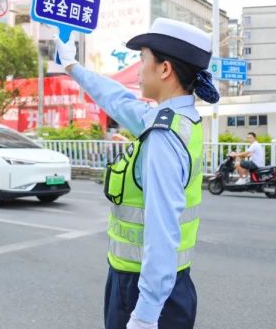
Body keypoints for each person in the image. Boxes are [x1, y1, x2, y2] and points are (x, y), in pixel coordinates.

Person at [56, 18, 220, 329]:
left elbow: (162, 232)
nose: (138, 67)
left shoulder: (162, 136)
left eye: (142, 58)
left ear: (164, 69)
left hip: (144, 291)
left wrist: (145, 315)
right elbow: (118, 101)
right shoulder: (178, 120)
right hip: (164, 285)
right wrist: (72, 66)